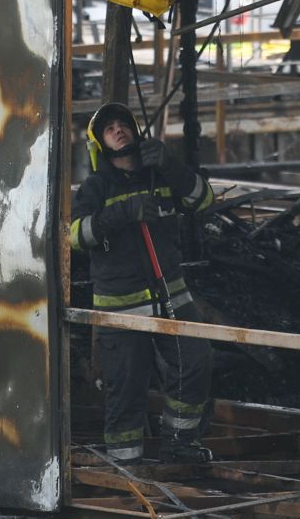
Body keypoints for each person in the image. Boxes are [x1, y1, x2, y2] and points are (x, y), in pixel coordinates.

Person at [70, 102, 216, 465]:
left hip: (172, 298)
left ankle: (179, 444)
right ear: (100, 144)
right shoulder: (96, 188)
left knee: (195, 362)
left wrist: (170, 164)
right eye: (109, 129)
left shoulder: (161, 176)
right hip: (121, 308)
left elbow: (203, 198)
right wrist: (120, 213)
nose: (118, 130)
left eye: (123, 124)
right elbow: (74, 236)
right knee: (127, 390)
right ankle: (126, 469)